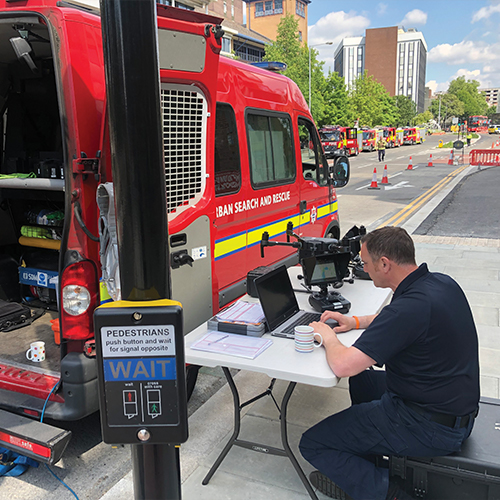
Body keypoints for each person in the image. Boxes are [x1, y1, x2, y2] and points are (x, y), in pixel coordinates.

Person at [299, 226, 479, 500]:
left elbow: (343, 365)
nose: (364, 268)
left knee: (313, 443)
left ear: (385, 264)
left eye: (366, 263)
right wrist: (354, 322)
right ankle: (367, 453)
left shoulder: (408, 309)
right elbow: (396, 320)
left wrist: (326, 337)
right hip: (451, 410)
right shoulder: (439, 283)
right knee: (363, 381)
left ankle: (388, 493)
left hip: (428, 427)